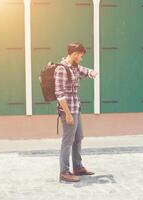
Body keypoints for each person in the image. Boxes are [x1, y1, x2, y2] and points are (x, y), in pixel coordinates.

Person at [54, 42, 98, 182]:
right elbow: (59, 94)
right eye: (80, 56)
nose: (81, 58)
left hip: (76, 107)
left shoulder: (74, 67)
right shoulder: (61, 69)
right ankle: (64, 172)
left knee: (79, 137)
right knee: (68, 141)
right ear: (74, 54)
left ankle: (78, 167)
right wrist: (67, 114)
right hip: (68, 110)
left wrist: (91, 72)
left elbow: (83, 70)